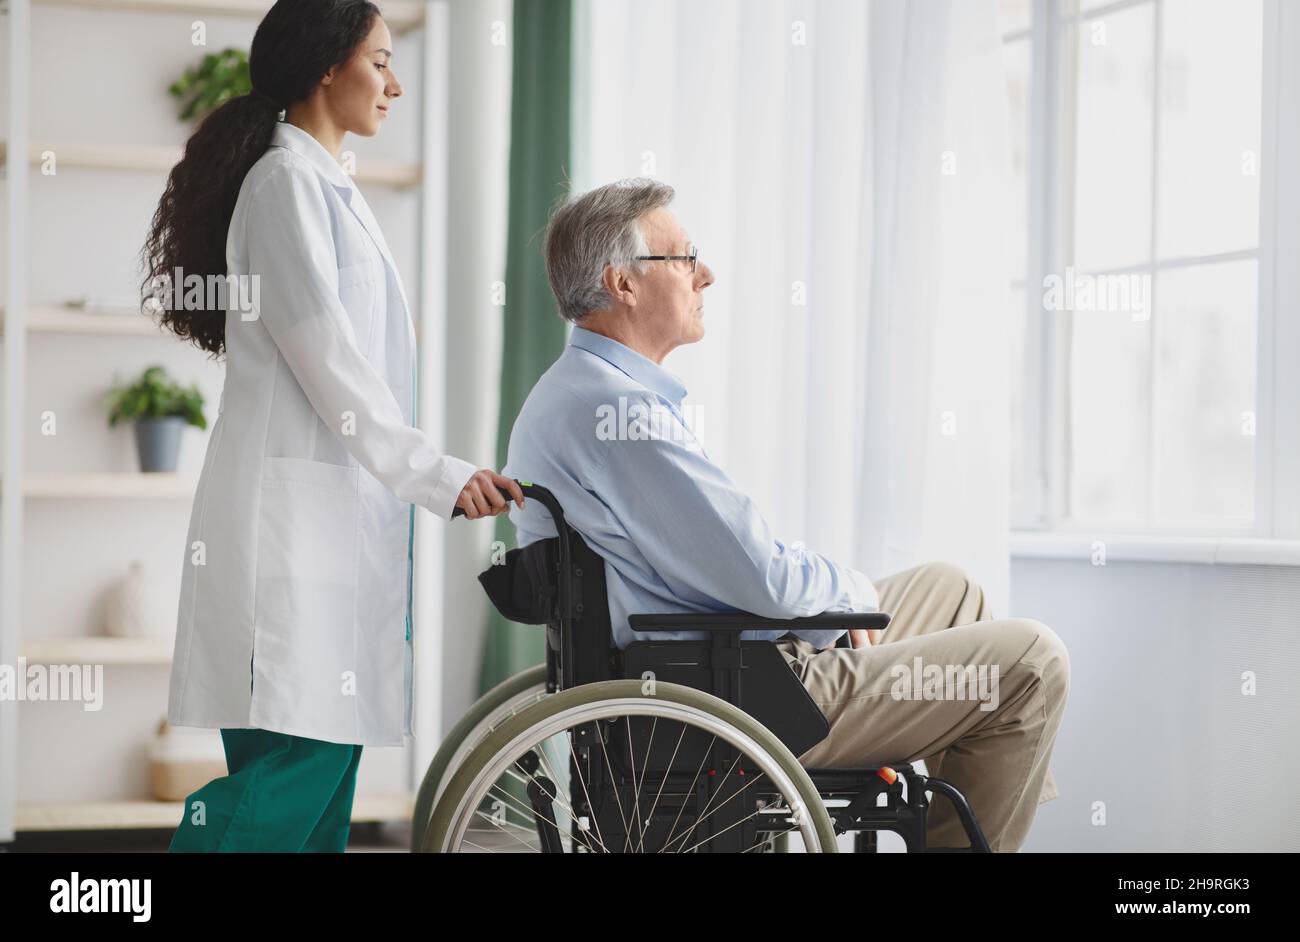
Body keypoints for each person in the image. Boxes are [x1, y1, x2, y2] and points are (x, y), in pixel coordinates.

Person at [501, 177, 1070, 852]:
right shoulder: (618, 413)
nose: (704, 274)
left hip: (712, 658)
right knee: (1034, 660)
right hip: (738, 690)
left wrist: (830, 604)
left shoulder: (584, 392)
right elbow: (763, 580)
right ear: (621, 283)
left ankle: (967, 816)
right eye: (683, 258)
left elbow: (735, 562)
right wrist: (845, 597)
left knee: (953, 590)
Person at [141, 0, 522, 852]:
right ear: (325, 67)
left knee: (321, 784)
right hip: (288, 535)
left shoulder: (321, 184)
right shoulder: (284, 186)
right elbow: (331, 365)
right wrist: (439, 473)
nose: (396, 83)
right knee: (296, 770)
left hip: (325, 529)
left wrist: (430, 472)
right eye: (379, 61)